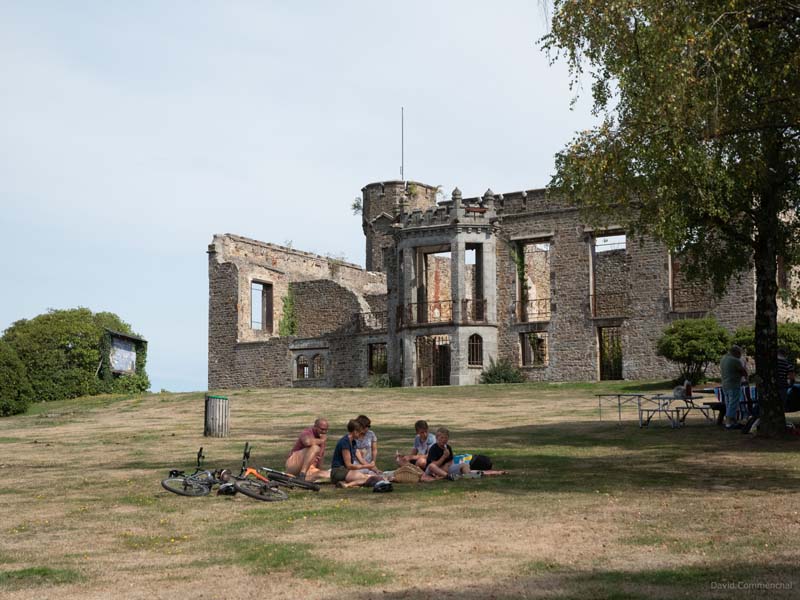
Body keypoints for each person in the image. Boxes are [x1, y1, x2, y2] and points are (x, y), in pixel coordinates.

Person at [331, 419, 376, 488]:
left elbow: (361, 459)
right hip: (338, 471)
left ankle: (349, 483)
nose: (361, 435)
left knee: (368, 477)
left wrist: (374, 468)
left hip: (346, 471)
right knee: (365, 478)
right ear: (355, 432)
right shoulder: (345, 443)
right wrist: (367, 466)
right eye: (360, 433)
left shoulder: (353, 442)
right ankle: (347, 485)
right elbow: (349, 465)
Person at [285, 417, 330, 482]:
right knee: (315, 448)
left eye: (326, 430)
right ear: (315, 427)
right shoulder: (307, 432)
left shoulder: (322, 440)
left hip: (310, 467)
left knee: (326, 474)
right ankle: (302, 474)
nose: (324, 432)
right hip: (293, 464)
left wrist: (319, 470)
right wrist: (322, 440)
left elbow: (320, 457)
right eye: (322, 429)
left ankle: (299, 479)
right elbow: (307, 442)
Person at [720, 345, 748, 430]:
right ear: (736, 353)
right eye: (740, 353)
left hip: (725, 384)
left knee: (728, 403)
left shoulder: (723, 358)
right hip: (733, 385)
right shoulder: (735, 360)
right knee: (733, 404)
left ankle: (732, 421)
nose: (740, 355)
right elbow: (744, 372)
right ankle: (728, 423)